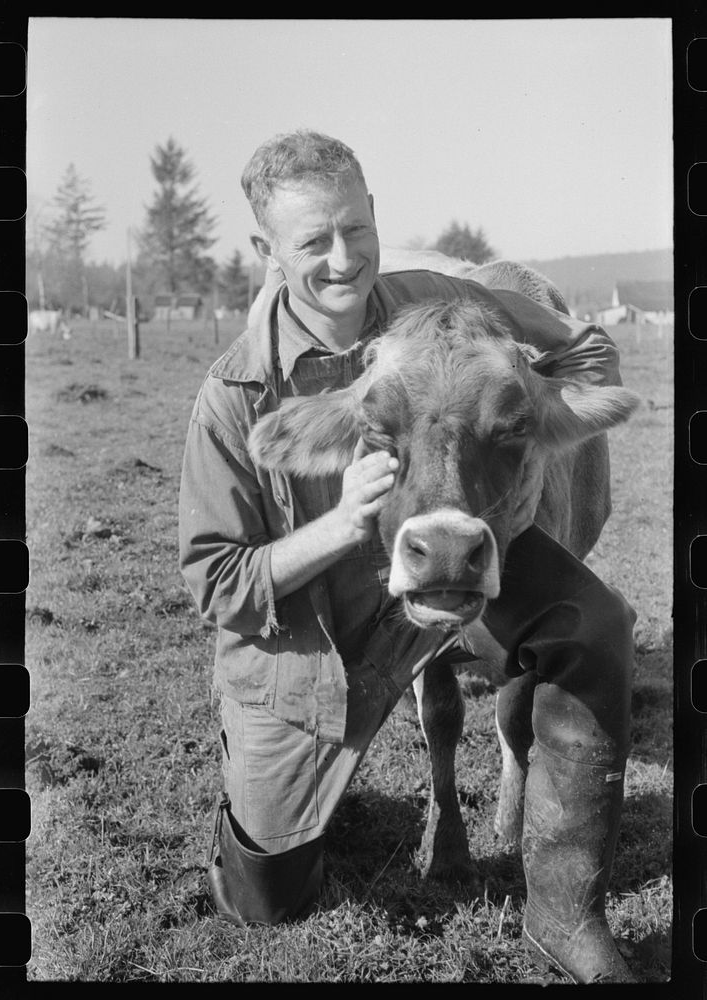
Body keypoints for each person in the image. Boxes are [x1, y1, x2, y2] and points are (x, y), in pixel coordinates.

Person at [179, 129, 637, 984]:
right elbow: (216, 582)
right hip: (313, 638)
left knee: (595, 621)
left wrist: (526, 423)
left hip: (449, 540)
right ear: (266, 251)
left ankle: (561, 918)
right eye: (312, 241)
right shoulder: (233, 397)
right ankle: (261, 800)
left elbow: (580, 351)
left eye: (355, 229)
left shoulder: (434, 295)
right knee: (265, 902)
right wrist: (343, 521)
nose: (343, 260)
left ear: (375, 216)